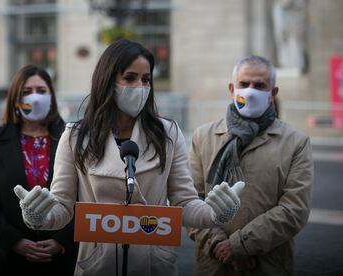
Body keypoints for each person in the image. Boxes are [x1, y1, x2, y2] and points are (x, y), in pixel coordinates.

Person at [13, 39, 245, 276]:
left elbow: (184, 202)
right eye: (130, 78)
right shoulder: (75, 136)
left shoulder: (167, 133)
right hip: (98, 264)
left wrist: (215, 213)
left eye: (146, 79)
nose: (140, 86)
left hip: (153, 263)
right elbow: (62, 207)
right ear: (108, 80)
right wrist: (37, 216)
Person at [188, 55, 313, 275]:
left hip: (267, 263)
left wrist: (240, 246)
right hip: (214, 265)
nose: (250, 91)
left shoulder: (295, 143)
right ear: (232, 88)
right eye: (244, 84)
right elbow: (190, 200)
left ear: (273, 93)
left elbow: (294, 210)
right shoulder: (203, 137)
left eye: (259, 85)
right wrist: (218, 244)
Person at [0, 65, 78, 276]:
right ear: (15, 98)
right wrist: (14, 241)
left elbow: (85, 196)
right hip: (3, 256)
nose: (35, 98)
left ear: (51, 96)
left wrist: (61, 240)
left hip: (58, 257)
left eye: (41, 90)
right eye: (27, 92)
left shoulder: (73, 139)